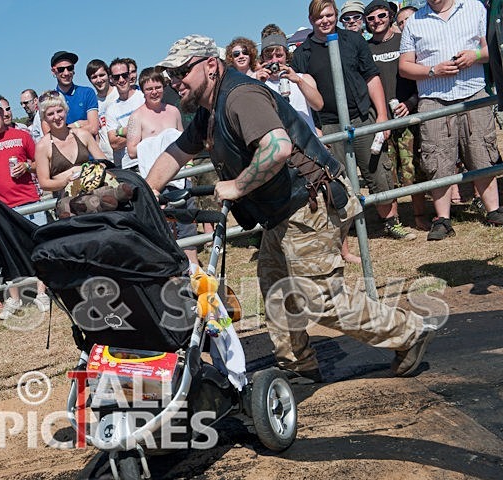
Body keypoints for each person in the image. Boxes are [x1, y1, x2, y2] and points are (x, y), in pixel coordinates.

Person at [145, 34, 436, 382]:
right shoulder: (210, 109)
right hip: (283, 211)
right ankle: (297, 362)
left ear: (210, 65)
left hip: (309, 203)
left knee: (320, 300)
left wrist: (237, 186)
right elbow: (177, 153)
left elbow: (278, 147)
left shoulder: (240, 96)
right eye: (170, 75)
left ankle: (408, 332)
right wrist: (148, 191)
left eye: (181, 72)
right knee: (275, 287)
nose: (175, 81)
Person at [292, 0, 414, 241]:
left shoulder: (353, 40)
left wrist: (381, 116)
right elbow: (303, 97)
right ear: (311, 20)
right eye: (319, 17)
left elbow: (372, 78)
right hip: (328, 125)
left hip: (362, 117)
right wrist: (316, 129)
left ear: (335, 15)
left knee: (378, 172)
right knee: (336, 180)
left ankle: (391, 222)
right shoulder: (302, 53)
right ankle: (345, 233)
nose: (325, 20)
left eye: (329, 15)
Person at [399, 0, 503, 238]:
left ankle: (494, 210)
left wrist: (475, 55)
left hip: (473, 93)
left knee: (481, 152)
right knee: (438, 160)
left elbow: (493, 49)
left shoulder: (475, 8)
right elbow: (404, 67)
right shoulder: (414, 21)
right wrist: (432, 71)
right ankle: (443, 220)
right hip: (433, 100)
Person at [0, 95, 50, 319]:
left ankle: (42, 292)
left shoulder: (22, 136)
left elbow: (38, 163)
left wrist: (26, 166)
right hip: (2, 209)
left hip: (30, 201)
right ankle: (14, 297)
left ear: (4, 112)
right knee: (9, 253)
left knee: (38, 247)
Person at [365, 0, 429, 231]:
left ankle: (420, 215)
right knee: (387, 172)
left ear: (390, 16)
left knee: (414, 170)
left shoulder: (405, 41)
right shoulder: (365, 49)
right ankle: (393, 222)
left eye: (381, 15)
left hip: (408, 114)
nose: (377, 21)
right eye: (371, 18)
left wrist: (411, 103)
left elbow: (420, 78)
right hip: (380, 121)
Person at [125, 68, 200, 265]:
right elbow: (131, 150)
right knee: (164, 224)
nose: (154, 92)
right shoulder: (137, 117)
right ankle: (172, 265)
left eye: (158, 87)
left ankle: (193, 265)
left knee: (187, 221)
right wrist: (158, 143)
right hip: (155, 178)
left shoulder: (173, 111)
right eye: (149, 89)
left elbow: (184, 140)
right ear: (142, 90)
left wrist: (188, 167)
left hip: (179, 175)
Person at [34, 90, 108, 193]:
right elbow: (44, 183)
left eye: (59, 111)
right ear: (44, 118)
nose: (56, 117)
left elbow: (104, 162)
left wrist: (92, 173)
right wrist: (65, 181)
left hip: (93, 187)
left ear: (66, 110)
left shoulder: (83, 135)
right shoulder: (43, 146)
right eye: (50, 114)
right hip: (66, 194)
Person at [254, 31, 324, 134]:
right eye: (269, 57)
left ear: (286, 56)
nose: (274, 61)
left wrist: (299, 81)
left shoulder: (304, 78)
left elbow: (318, 105)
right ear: (263, 59)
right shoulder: (257, 83)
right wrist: (258, 85)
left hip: (307, 139)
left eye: (279, 55)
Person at [104, 58, 145, 169]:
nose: (121, 80)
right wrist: (142, 131)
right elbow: (114, 143)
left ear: (129, 75)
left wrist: (122, 131)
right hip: (128, 166)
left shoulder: (143, 97)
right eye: (117, 77)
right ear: (111, 79)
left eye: (124, 75)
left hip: (149, 158)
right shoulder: (111, 110)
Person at [46, 51, 99, 136]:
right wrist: (78, 124)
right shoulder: (48, 100)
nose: (66, 73)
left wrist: (65, 130)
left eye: (70, 68)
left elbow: (93, 128)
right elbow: (50, 135)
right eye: (61, 69)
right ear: (53, 71)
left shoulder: (87, 93)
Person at [86, 59, 118, 161]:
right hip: (106, 159)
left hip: (125, 156)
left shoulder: (119, 94)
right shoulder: (92, 103)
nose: (99, 80)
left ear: (108, 75)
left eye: (102, 75)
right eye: (94, 77)